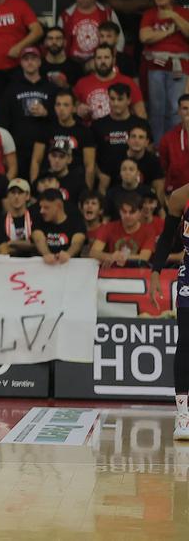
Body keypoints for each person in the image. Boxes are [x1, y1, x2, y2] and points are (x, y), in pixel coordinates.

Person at [147, 181, 189, 440]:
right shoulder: (179, 198)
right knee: (186, 341)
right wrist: (155, 271)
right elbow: (166, 238)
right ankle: (184, 414)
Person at [139, 0, 189, 138]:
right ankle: (159, 146)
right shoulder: (150, 14)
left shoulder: (182, 12)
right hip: (156, 65)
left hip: (178, 65)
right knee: (156, 108)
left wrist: (173, 15)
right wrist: (169, 32)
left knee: (175, 107)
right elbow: (145, 37)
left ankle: (174, 145)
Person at [4, 47, 57, 179]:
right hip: (19, 147)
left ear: (39, 62)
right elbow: (4, 119)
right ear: (21, 63)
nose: (30, 62)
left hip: (46, 146)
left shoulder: (51, 88)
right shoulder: (11, 89)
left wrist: (46, 112)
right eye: (26, 59)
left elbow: (62, 116)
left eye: (33, 59)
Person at [30, 92, 97, 189]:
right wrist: (34, 188)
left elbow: (89, 166)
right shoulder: (46, 129)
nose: (61, 109)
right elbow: (36, 160)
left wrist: (87, 193)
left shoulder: (84, 132)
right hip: (49, 182)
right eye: (58, 104)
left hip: (75, 183)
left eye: (66, 105)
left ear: (74, 108)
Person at [92, 83, 152, 188]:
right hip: (107, 181)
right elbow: (91, 157)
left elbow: (149, 151)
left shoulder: (141, 124)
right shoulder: (98, 125)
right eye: (112, 99)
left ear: (128, 100)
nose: (115, 103)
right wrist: (99, 175)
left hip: (137, 180)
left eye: (120, 99)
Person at [74, 44, 147, 122]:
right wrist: (78, 110)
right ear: (94, 60)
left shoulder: (128, 82)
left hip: (120, 130)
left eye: (106, 57)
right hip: (91, 131)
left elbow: (141, 114)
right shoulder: (82, 83)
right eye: (99, 58)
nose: (103, 61)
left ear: (114, 60)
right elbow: (71, 109)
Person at [58, 0, 124, 64]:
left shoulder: (107, 13)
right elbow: (59, 41)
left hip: (101, 62)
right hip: (73, 62)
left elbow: (119, 38)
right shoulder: (66, 16)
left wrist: (113, 59)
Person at [89, 192, 154, 268]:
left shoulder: (149, 231)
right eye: (124, 212)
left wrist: (119, 256)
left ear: (140, 213)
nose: (127, 216)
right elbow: (93, 252)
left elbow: (144, 257)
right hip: (111, 273)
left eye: (132, 212)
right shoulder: (109, 227)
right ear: (120, 212)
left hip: (137, 274)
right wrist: (110, 256)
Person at [33, 189, 86, 265]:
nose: (41, 211)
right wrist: (46, 254)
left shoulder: (76, 222)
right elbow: (38, 239)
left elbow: (77, 243)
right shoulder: (39, 220)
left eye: (46, 207)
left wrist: (68, 254)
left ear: (59, 205)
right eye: (41, 207)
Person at [124, 125, 165, 201]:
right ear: (128, 140)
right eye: (133, 136)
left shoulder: (154, 162)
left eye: (141, 137)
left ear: (146, 142)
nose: (137, 140)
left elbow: (159, 190)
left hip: (145, 204)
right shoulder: (117, 158)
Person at [160, 94, 189, 193]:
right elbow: (163, 167)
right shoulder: (168, 138)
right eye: (185, 108)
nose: (188, 112)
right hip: (176, 192)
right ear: (179, 111)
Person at [44, 140, 87, 205]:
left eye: (61, 156)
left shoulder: (78, 183)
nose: (57, 160)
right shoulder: (42, 180)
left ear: (69, 159)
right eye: (54, 155)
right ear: (48, 157)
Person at [4, 178, 36, 256]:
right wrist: (26, 245)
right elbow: (3, 248)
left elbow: (38, 245)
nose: (16, 196)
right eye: (13, 192)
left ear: (27, 196)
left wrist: (11, 243)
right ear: (8, 195)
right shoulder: (0, 220)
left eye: (20, 192)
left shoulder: (36, 218)